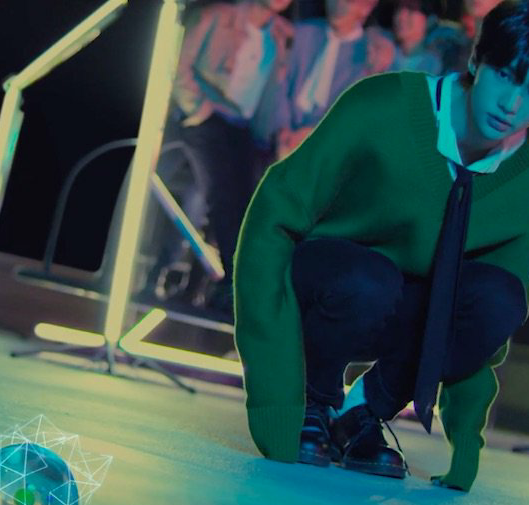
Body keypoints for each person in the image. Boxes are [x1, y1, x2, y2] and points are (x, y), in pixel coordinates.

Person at [233, 0, 529, 492]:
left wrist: (465, 447)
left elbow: (495, 320)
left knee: (499, 298)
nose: (512, 104)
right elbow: (272, 220)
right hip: (327, 287)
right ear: (477, 60)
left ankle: (362, 412)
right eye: (506, 76)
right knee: (369, 280)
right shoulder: (383, 104)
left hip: (403, 312)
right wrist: (276, 400)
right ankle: (315, 400)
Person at [168, 0, 294, 318]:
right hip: (204, 118)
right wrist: (198, 109)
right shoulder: (214, 17)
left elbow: (273, 92)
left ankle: (224, 287)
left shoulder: (279, 36)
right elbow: (177, 63)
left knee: (244, 204)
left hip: (244, 129)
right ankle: (233, 286)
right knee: (220, 196)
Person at [274, 0, 395, 158]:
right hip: (281, 143)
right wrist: (282, 129)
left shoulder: (372, 56)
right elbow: (280, 84)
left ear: (367, 7)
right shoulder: (303, 33)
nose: (339, 5)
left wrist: (314, 134)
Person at [391, 0, 445, 74]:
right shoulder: (383, 54)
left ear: (430, 20)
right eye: (398, 8)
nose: (401, 16)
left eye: (411, 9)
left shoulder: (436, 65)